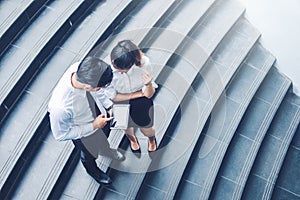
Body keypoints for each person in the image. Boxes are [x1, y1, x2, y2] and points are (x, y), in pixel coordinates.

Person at [48, 56, 124, 185]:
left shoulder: (81, 70)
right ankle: (93, 171)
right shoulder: (60, 107)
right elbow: (60, 135)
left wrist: (108, 106)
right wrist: (93, 126)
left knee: (104, 139)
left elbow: (97, 92)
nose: (102, 89)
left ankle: (106, 150)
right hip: (85, 134)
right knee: (89, 154)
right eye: (100, 87)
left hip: (100, 117)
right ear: (88, 86)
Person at [104, 40, 158, 153]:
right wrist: (138, 93)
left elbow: (148, 95)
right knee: (126, 127)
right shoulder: (106, 69)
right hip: (122, 101)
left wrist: (148, 84)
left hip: (140, 101)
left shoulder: (144, 63)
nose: (120, 72)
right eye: (116, 68)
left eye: (124, 70)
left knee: (147, 128)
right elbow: (113, 97)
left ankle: (152, 140)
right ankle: (132, 140)